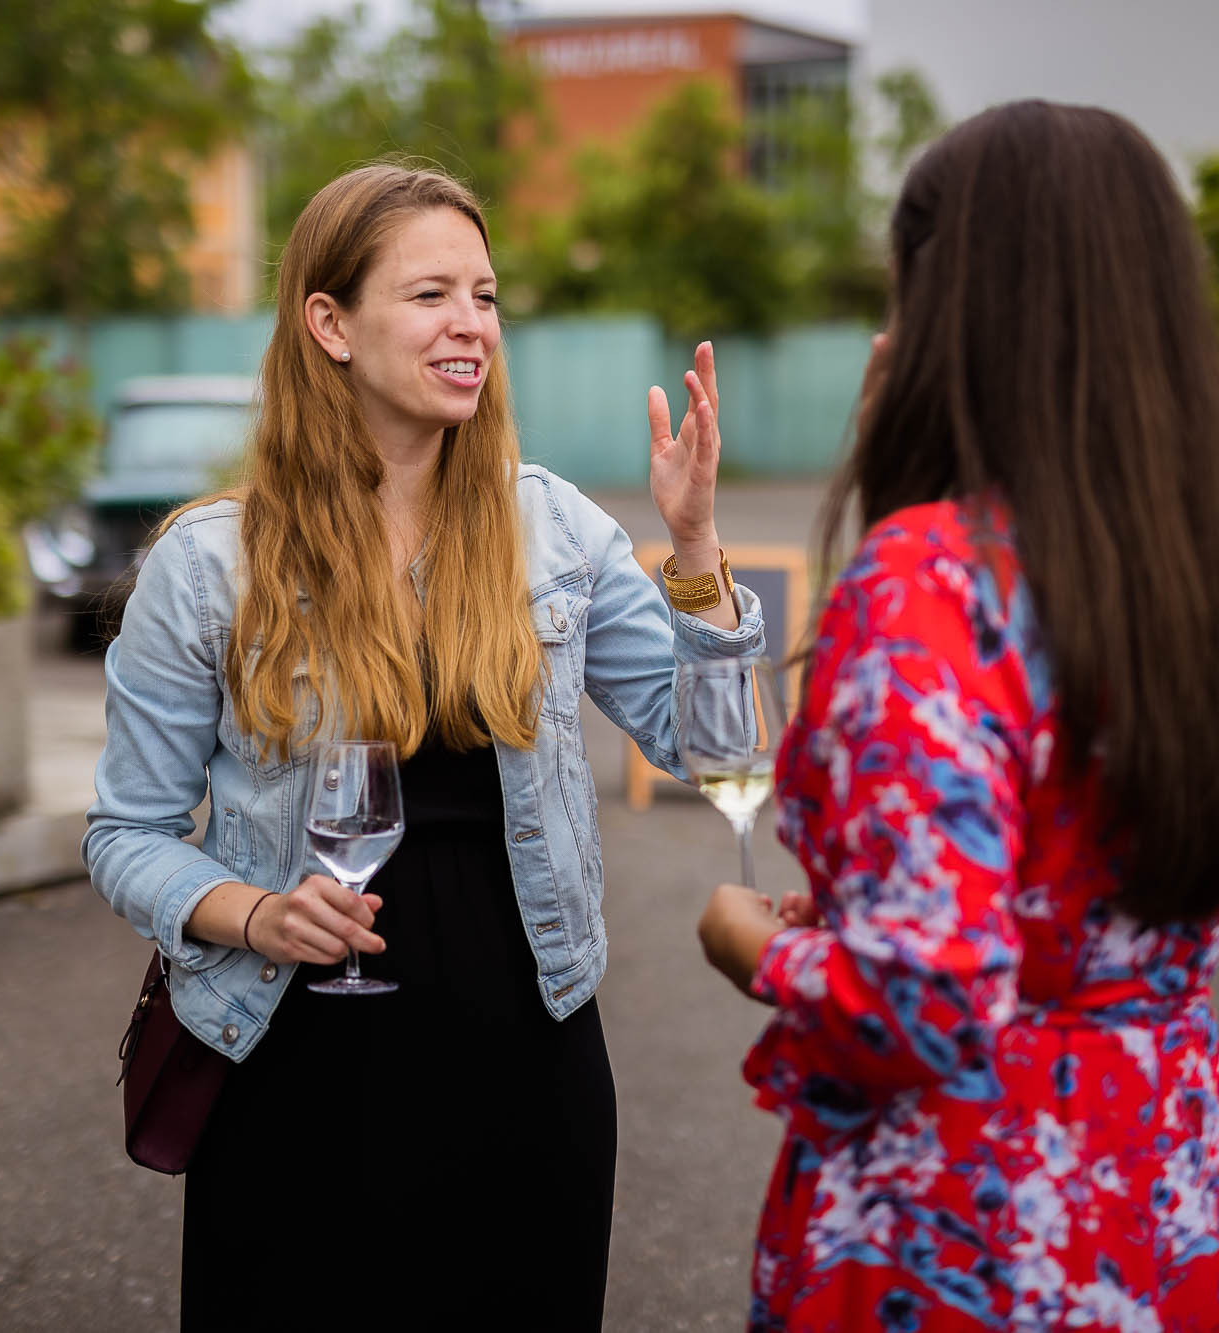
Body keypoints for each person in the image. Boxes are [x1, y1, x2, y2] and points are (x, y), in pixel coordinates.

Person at [84, 163, 765, 1330]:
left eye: (487, 296)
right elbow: (123, 835)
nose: (471, 326)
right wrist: (251, 912)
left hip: (526, 1054)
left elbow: (722, 758)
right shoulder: (208, 565)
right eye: (431, 294)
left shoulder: (551, 526)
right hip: (295, 1057)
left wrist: (692, 549)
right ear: (329, 323)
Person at [694, 101, 1219, 1331]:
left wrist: (752, 943)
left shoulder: (929, 576)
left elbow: (928, 1000)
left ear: (952, 304)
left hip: (968, 1209)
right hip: (1155, 1176)